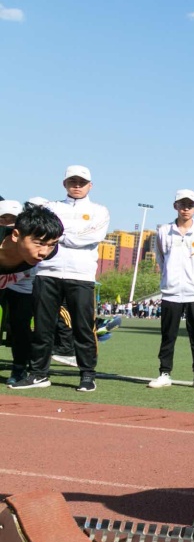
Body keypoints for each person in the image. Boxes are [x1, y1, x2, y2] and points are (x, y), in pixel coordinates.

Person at [11, 167, 110, 392]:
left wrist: (57, 234)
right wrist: (66, 234)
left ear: (90, 185)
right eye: (72, 181)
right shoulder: (50, 208)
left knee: (83, 327)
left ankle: (87, 375)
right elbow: (37, 232)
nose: (77, 185)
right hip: (47, 272)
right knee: (43, 327)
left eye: (81, 182)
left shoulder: (99, 210)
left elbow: (92, 236)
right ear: (64, 184)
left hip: (81, 276)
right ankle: (38, 374)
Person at [146, 190, 194, 391]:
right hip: (171, 292)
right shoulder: (163, 231)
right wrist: (169, 279)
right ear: (175, 206)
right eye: (182, 204)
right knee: (168, 335)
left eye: (190, 205)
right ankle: (164, 373)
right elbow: (161, 258)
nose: (186, 208)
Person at [2, 204, 64, 386]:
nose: (44, 252)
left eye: (51, 244)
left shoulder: (49, 253)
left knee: (20, 325)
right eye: (38, 243)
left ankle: (19, 369)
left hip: (21, 284)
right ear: (15, 235)